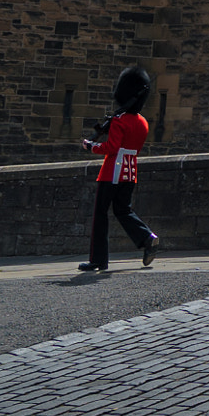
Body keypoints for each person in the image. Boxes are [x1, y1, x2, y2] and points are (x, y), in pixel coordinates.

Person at [78, 66, 159, 273]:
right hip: (130, 171)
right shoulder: (142, 122)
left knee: (100, 214)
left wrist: (90, 146)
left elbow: (111, 148)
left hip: (111, 172)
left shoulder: (119, 121)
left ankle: (98, 260)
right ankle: (146, 237)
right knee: (123, 210)